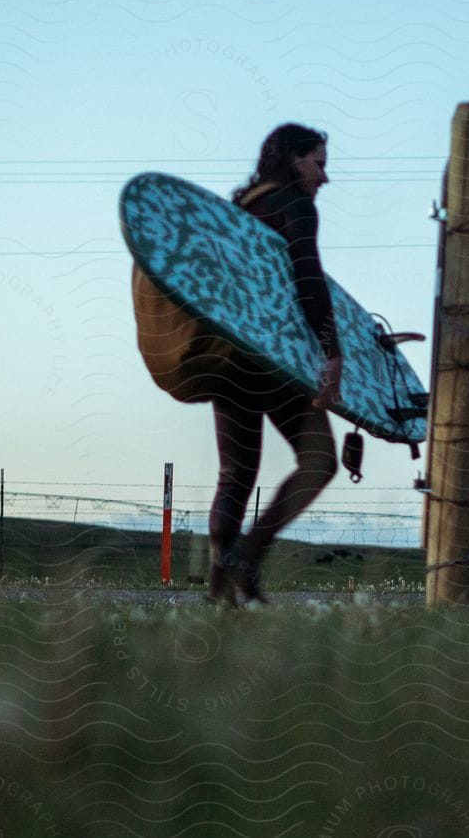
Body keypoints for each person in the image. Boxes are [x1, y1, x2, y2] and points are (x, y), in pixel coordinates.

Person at [205, 123, 344, 605]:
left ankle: (219, 594)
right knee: (321, 460)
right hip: (274, 360)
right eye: (319, 164)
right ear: (293, 159)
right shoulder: (295, 205)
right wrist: (333, 352)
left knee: (236, 476)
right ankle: (247, 555)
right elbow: (308, 278)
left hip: (225, 355)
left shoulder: (242, 208)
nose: (324, 177)